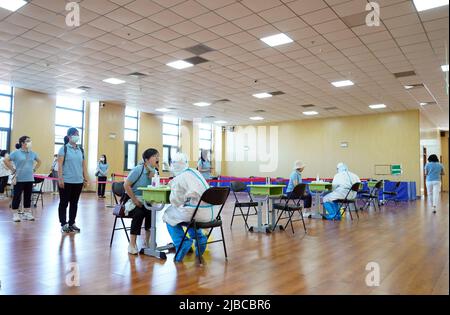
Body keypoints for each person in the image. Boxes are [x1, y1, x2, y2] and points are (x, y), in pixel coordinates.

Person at [163, 152, 211, 262]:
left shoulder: (179, 178)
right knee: (188, 215)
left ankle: (182, 242)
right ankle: (200, 238)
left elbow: (175, 201)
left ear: (173, 165)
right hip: (211, 212)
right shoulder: (195, 172)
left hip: (196, 213)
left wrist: (172, 187)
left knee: (168, 215)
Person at [123, 148, 159, 255]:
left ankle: (148, 242)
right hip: (133, 200)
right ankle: (132, 244)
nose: (157, 158)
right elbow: (126, 185)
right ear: (147, 159)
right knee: (139, 213)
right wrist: (135, 200)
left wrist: (154, 177)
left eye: (158, 156)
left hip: (147, 200)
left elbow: (154, 188)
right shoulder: (138, 170)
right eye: (154, 156)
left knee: (151, 212)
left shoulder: (154, 171)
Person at [3, 136, 41, 222]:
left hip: (29, 178)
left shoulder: (32, 153)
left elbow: (39, 161)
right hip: (19, 178)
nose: (30, 142)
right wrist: (12, 169)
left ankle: (27, 213)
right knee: (17, 197)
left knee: (28, 196)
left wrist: (34, 169)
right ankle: (15, 214)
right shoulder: (16, 153)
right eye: (28, 141)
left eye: (30, 141)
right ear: (22, 143)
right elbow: (6, 160)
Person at [57, 128, 88, 233]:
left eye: (78, 134)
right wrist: (60, 178)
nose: (77, 136)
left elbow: (83, 166)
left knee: (74, 203)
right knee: (64, 203)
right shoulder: (63, 149)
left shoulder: (81, 150)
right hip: (66, 181)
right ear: (69, 136)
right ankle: (63, 224)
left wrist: (86, 178)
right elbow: (60, 165)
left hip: (78, 181)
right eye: (75, 134)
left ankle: (72, 223)